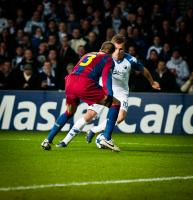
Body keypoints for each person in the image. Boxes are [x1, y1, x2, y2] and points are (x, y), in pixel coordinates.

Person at [56, 35, 160, 150]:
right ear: (111, 47)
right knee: (89, 115)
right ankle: (65, 141)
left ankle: (95, 131)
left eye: (121, 49)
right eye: (116, 48)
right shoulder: (104, 58)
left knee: (120, 117)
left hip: (121, 91)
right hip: (103, 89)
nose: (119, 51)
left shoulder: (130, 60)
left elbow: (143, 69)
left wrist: (152, 82)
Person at [41, 41, 121, 151]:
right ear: (111, 53)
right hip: (85, 83)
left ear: (100, 49)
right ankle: (106, 138)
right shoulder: (108, 59)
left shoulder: (87, 54)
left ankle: (47, 140)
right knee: (115, 104)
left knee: (69, 111)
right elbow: (106, 77)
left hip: (70, 81)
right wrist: (110, 94)